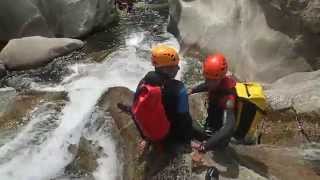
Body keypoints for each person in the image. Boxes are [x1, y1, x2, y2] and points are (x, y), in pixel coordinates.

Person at [118, 44, 193, 153]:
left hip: (148, 133)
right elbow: (185, 119)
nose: (178, 68)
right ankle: (178, 145)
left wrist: (146, 137)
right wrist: (187, 140)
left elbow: (136, 108)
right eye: (175, 66)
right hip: (167, 135)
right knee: (189, 124)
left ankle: (148, 140)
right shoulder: (179, 89)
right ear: (167, 69)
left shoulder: (143, 82)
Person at [189, 53, 237, 152]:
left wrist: (206, 146)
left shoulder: (228, 99)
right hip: (212, 125)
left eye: (213, 80)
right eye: (207, 79)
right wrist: (191, 91)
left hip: (218, 138)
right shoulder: (216, 82)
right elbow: (206, 85)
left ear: (221, 77)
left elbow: (228, 127)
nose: (209, 83)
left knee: (187, 127)